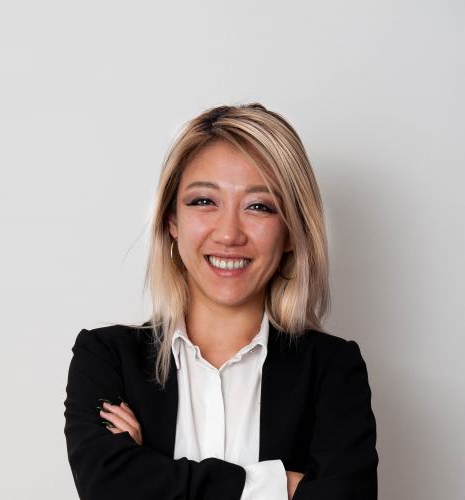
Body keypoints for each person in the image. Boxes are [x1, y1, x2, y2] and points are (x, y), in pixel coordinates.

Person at [63, 103, 378, 499]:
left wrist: (149, 471)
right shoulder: (107, 359)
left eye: (259, 206)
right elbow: (108, 487)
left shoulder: (333, 370)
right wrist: (279, 486)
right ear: (171, 220)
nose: (229, 234)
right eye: (204, 201)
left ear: (291, 232)